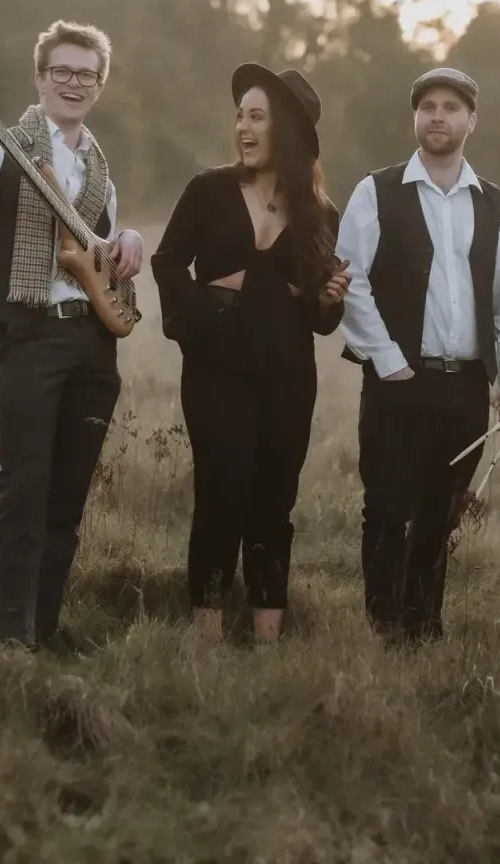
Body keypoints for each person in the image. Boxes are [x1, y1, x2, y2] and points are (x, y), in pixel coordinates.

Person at [0, 19, 143, 652]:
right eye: (62, 71)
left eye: (87, 74)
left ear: (99, 85)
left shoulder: (99, 165)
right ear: (40, 78)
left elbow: (102, 242)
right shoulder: (2, 142)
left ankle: (46, 627)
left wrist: (128, 239)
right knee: (25, 488)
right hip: (27, 334)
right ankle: (12, 634)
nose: (74, 83)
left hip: (93, 344)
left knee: (69, 494)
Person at [334, 67, 500, 643]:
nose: (438, 116)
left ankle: (424, 629)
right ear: (415, 118)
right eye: (428, 107)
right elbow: (349, 279)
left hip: (465, 385)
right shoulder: (376, 191)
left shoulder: (494, 204)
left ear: (472, 120)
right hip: (397, 379)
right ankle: (384, 630)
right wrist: (386, 358)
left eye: (451, 107)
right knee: (386, 508)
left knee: (440, 513)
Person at [150, 64, 350, 644]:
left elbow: (320, 318)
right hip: (216, 366)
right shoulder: (208, 190)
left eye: (257, 117)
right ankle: (208, 639)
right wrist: (201, 317)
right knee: (220, 492)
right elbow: (167, 262)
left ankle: (268, 640)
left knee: (274, 500)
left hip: (287, 370)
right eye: (240, 115)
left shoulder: (321, 215)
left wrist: (329, 299)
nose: (242, 127)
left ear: (286, 129)